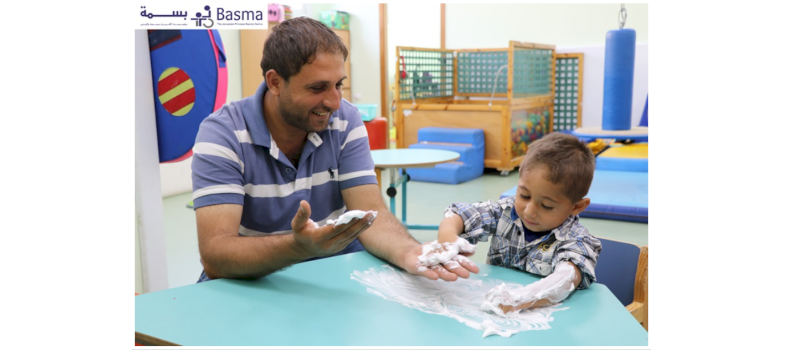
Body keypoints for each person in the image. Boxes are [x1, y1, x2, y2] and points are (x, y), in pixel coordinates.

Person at [190, 17, 479, 283]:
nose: (334, 102)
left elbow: (371, 214)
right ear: (275, 82)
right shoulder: (223, 134)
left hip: (333, 270)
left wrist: (408, 251)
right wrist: (298, 247)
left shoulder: (344, 119)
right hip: (252, 280)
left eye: (338, 85)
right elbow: (216, 256)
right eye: (318, 88)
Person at [436, 132, 602, 313]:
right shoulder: (504, 212)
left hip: (541, 318)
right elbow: (461, 215)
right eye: (524, 195)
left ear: (577, 206)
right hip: (491, 312)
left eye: (546, 206)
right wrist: (448, 239)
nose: (529, 211)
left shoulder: (576, 241)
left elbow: (566, 278)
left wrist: (518, 299)